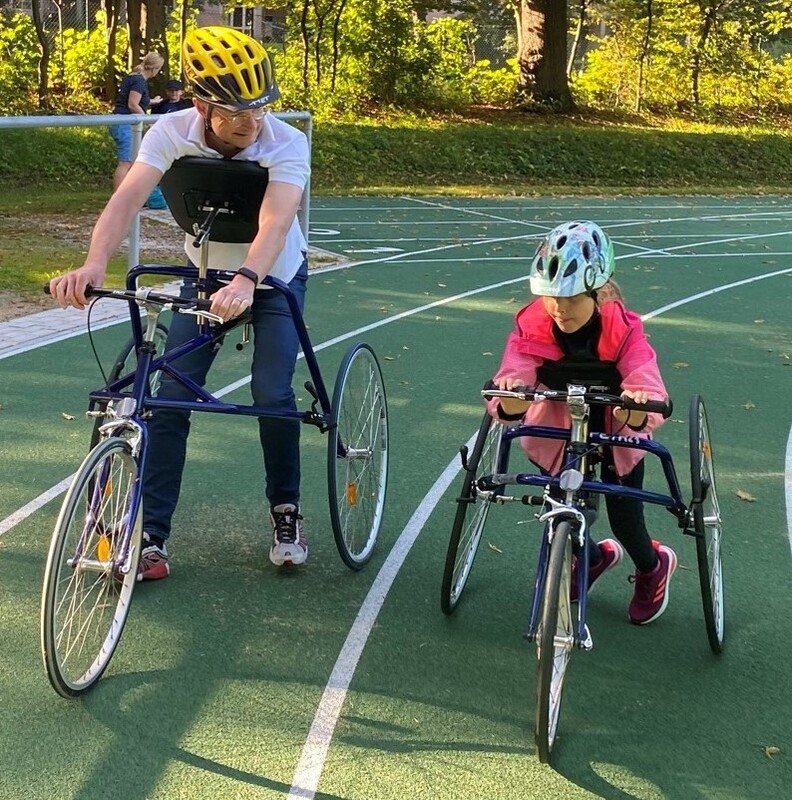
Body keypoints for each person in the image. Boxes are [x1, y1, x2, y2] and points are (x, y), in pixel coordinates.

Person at [50, 26, 311, 579]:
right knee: (169, 396)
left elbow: (277, 220)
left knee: (272, 390)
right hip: (203, 275)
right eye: (237, 113)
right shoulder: (170, 130)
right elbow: (127, 200)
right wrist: (95, 264)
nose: (252, 122)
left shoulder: (287, 142)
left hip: (274, 277)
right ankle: (151, 539)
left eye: (260, 109)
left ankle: (285, 509)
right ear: (201, 106)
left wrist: (245, 281)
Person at [487, 220, 677, 625]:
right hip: (558, 432)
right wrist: (511, 394)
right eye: (550, 297)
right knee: (565, 513)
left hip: (615, 436)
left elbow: (642, 372)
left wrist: (637, 403)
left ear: (597, 291)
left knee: (627, 525)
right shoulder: (533, 324)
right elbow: (517, 366)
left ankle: (652, 566)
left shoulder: (622, 329)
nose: (558, 308)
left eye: (571, 298)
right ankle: (591, 558)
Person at [110, 52, 164, 192]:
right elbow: (133, 104)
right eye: (159, 69)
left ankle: (129, 194)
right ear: (154, 69)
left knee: (132, 161)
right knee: (125, 163)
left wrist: (152, 101)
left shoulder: (133, 77)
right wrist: (148, 120)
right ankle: (117, 199)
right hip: (124, 124)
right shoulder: (139, 81)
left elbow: (136, 99)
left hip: (121, 122)